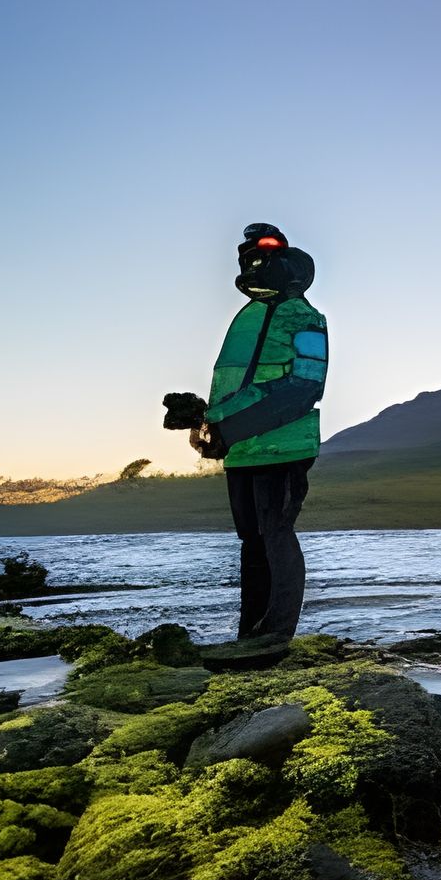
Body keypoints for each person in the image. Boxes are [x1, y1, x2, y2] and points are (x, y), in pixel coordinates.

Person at [166, 224, 329, 644]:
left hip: (282, 446)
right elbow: (240, 382)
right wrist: (204, 418)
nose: (254, 265)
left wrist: (225, 423)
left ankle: (275, 632)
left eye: (263, 257)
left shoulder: (303, 316)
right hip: (242, 450)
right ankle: (250, 632)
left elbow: (306, 384)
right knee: (253, 541)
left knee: (275, 534)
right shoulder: (248, 316)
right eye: (250, 258)